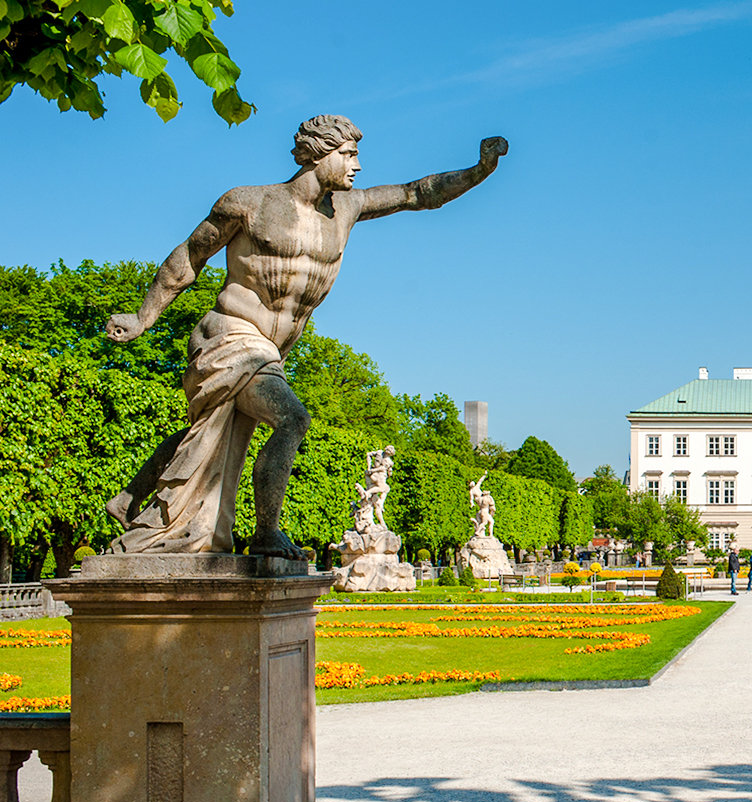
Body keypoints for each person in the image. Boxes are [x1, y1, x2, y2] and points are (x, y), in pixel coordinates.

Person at [105, 115, 508, 557]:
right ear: (319, 153)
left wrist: (478, 171)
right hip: (230, 335)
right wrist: (144, 317)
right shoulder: (249, 203)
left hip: (271, 350)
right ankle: (265, 533)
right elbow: (190, 254)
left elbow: (416, 194)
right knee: (292, 419)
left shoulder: (347, 208)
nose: (356, 166)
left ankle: (129, 498)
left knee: (211, 435)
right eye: (349, 155)